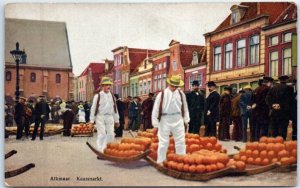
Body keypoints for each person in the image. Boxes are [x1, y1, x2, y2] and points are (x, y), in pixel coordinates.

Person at [152, 75, 190, 164]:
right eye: (172, 85)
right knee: (163, 142)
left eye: (176, 86)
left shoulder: (181, 94)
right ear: (168, 84)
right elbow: (156, 109)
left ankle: (181, 160)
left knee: (180, 141)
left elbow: (185, 107)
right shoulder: (162, 94)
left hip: (178, 118)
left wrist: (186, 120)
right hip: (165, 119)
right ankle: (161, 161)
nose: (174, 87)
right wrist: (155, 124)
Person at [89, 77, 119, 153]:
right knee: (102, 134)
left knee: (111, 134)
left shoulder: (112, 96)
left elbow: (115, 109)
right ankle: (100, 151)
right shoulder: (97, 96)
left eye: (109, 85)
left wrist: (117, 120)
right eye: (106, 85)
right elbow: (93, 109)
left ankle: (106, 149)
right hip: (100, 117)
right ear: (102, 86)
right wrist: (91, 121)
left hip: (109, 117)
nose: (108, 86)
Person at [266, 75, 294, 140]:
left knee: (274, 131)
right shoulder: (289, 89)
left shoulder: (273, 88)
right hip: (284, 113)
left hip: (273, 113)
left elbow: (267, 99)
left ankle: (275, 146)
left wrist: (273, 105)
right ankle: (281, 146)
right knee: (282, 131)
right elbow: (290, 101)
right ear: (286, 80)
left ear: (280, 80)